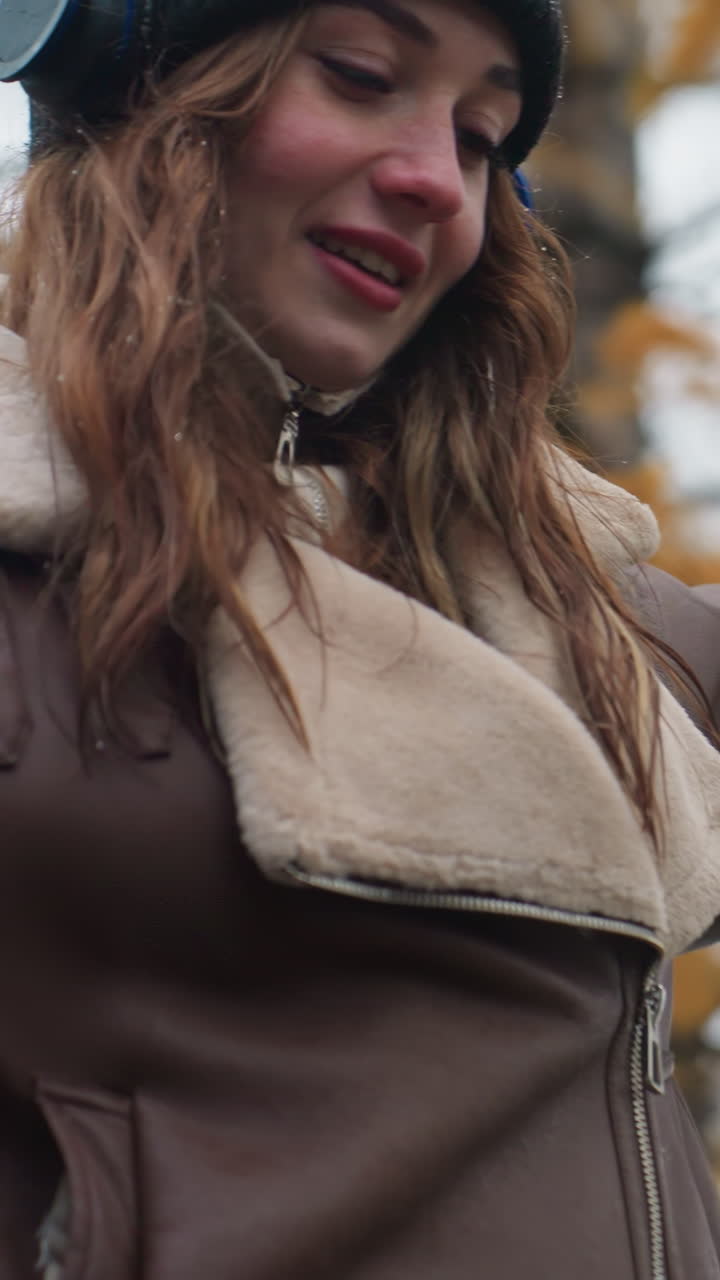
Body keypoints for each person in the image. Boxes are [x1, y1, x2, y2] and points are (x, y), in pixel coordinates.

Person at [2, 0, 720, 1276]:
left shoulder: (583, 610)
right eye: (359, 74)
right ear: (136, 79)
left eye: (484, 134)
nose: (435, 179)